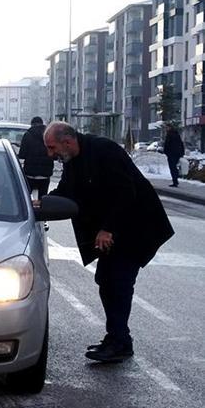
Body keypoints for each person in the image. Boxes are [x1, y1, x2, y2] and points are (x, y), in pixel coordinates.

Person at [43, 121, 174, 363]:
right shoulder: (73, 161)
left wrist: (107, 229)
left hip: (136, 227)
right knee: (105, 279)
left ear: (67, 142)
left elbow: (126, 192)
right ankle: (118, 338)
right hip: (114, 231)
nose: (51, 155)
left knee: (119, 282)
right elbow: (66, 191)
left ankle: (119, 341)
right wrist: (42, 205)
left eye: (52, 148)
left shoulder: (104, 150)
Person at [18, 116, 54, 198]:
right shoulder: (49, 136)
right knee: (43, 199)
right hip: (45, 174)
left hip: (30, 174)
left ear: (32, 124)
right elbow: (54, 154)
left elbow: (22, 154)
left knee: (26, 197)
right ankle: (42, 209)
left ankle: (29, 209)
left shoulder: (27, 135)